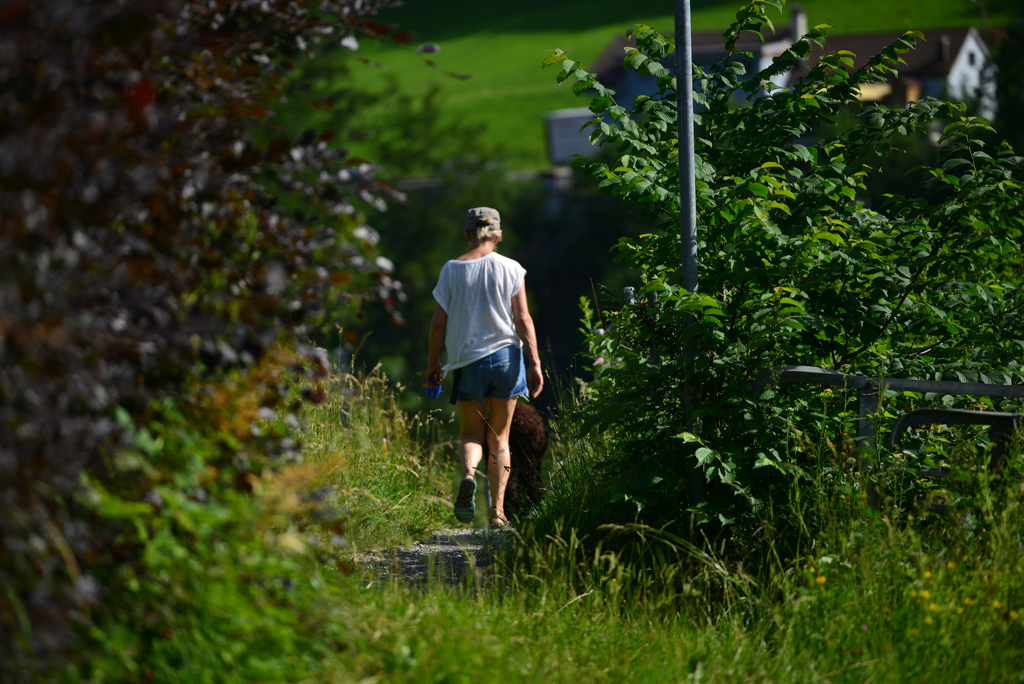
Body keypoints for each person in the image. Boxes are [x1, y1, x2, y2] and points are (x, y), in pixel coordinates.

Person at [425, 207, 543, 527]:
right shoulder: (511, 268)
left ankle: (468, 475)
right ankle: (498, 513)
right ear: (497, 235)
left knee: (471, 435)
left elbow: (438, 323)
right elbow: (523, 319)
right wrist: (534, 363)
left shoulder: (451, 270)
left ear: (467, 234)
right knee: (500, 439)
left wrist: (434, 361)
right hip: (507, 359)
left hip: (468, 362)